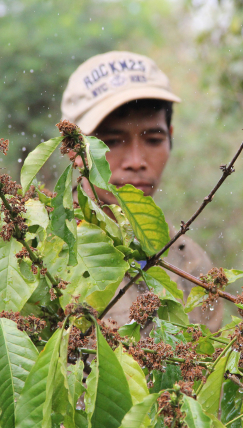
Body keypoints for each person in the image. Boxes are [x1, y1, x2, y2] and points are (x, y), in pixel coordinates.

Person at [61, 51, 223, 333]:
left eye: (153, 139)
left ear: (171, 137)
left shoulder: (190, 264)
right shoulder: (45, 252)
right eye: (112, 141)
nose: (136, 160)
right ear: (74, 149)